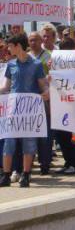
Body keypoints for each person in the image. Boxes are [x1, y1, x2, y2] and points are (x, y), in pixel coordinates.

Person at [0, 33, 47, 188]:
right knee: (9, 142)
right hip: (13, 109)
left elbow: (43, 85)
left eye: (10, 46)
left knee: (29, 142)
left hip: (30, 111)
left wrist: (47, 92)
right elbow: (6, 87)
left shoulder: (36, 64)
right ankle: (6, 175)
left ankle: (26, 174)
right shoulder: (11, 65)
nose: (8, 49)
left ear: (18, 46)